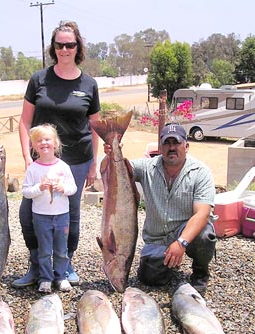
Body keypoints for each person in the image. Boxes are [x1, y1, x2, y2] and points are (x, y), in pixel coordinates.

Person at [12, 20, 101, 289]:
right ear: (53, 47)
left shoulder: (89, 84)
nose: (64, 49)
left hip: (76, 159)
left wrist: (94, 164)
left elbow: (95, 126)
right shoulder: (39, 80)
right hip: (41, 159)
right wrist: (29, 158)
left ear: (78, 47)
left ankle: (65, 265)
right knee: (29, 214)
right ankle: (37, 265)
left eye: (69, 44)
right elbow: (24, 122)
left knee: (69, 215)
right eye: (59, 44)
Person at [105, 123, 217, 295]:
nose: (171, 147)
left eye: (176, 142)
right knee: (149, 279)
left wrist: (181, 243)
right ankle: (168, 265)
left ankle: (200, 273)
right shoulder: (147, 167)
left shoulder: (201, 172)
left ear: (186, 146)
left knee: (205, 235)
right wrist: (112, 153)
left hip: (185, 233)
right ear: (160, 147)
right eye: (167, 143)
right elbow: (113, 170)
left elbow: (202, 213)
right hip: (158, 239)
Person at [22, 124, 77, 293]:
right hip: (41, 216)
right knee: (44, 250)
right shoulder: (33, 168)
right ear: (33, 145)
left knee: (61, 250)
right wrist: (39, 187)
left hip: (61, 215)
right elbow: (26, 191)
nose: (44, 143)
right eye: (39, 141)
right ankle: (45, 278)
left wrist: (63, 189)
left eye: (47, 139)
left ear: (55, 143)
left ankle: (61, 276)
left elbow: (73, 188)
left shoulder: (63, 167)